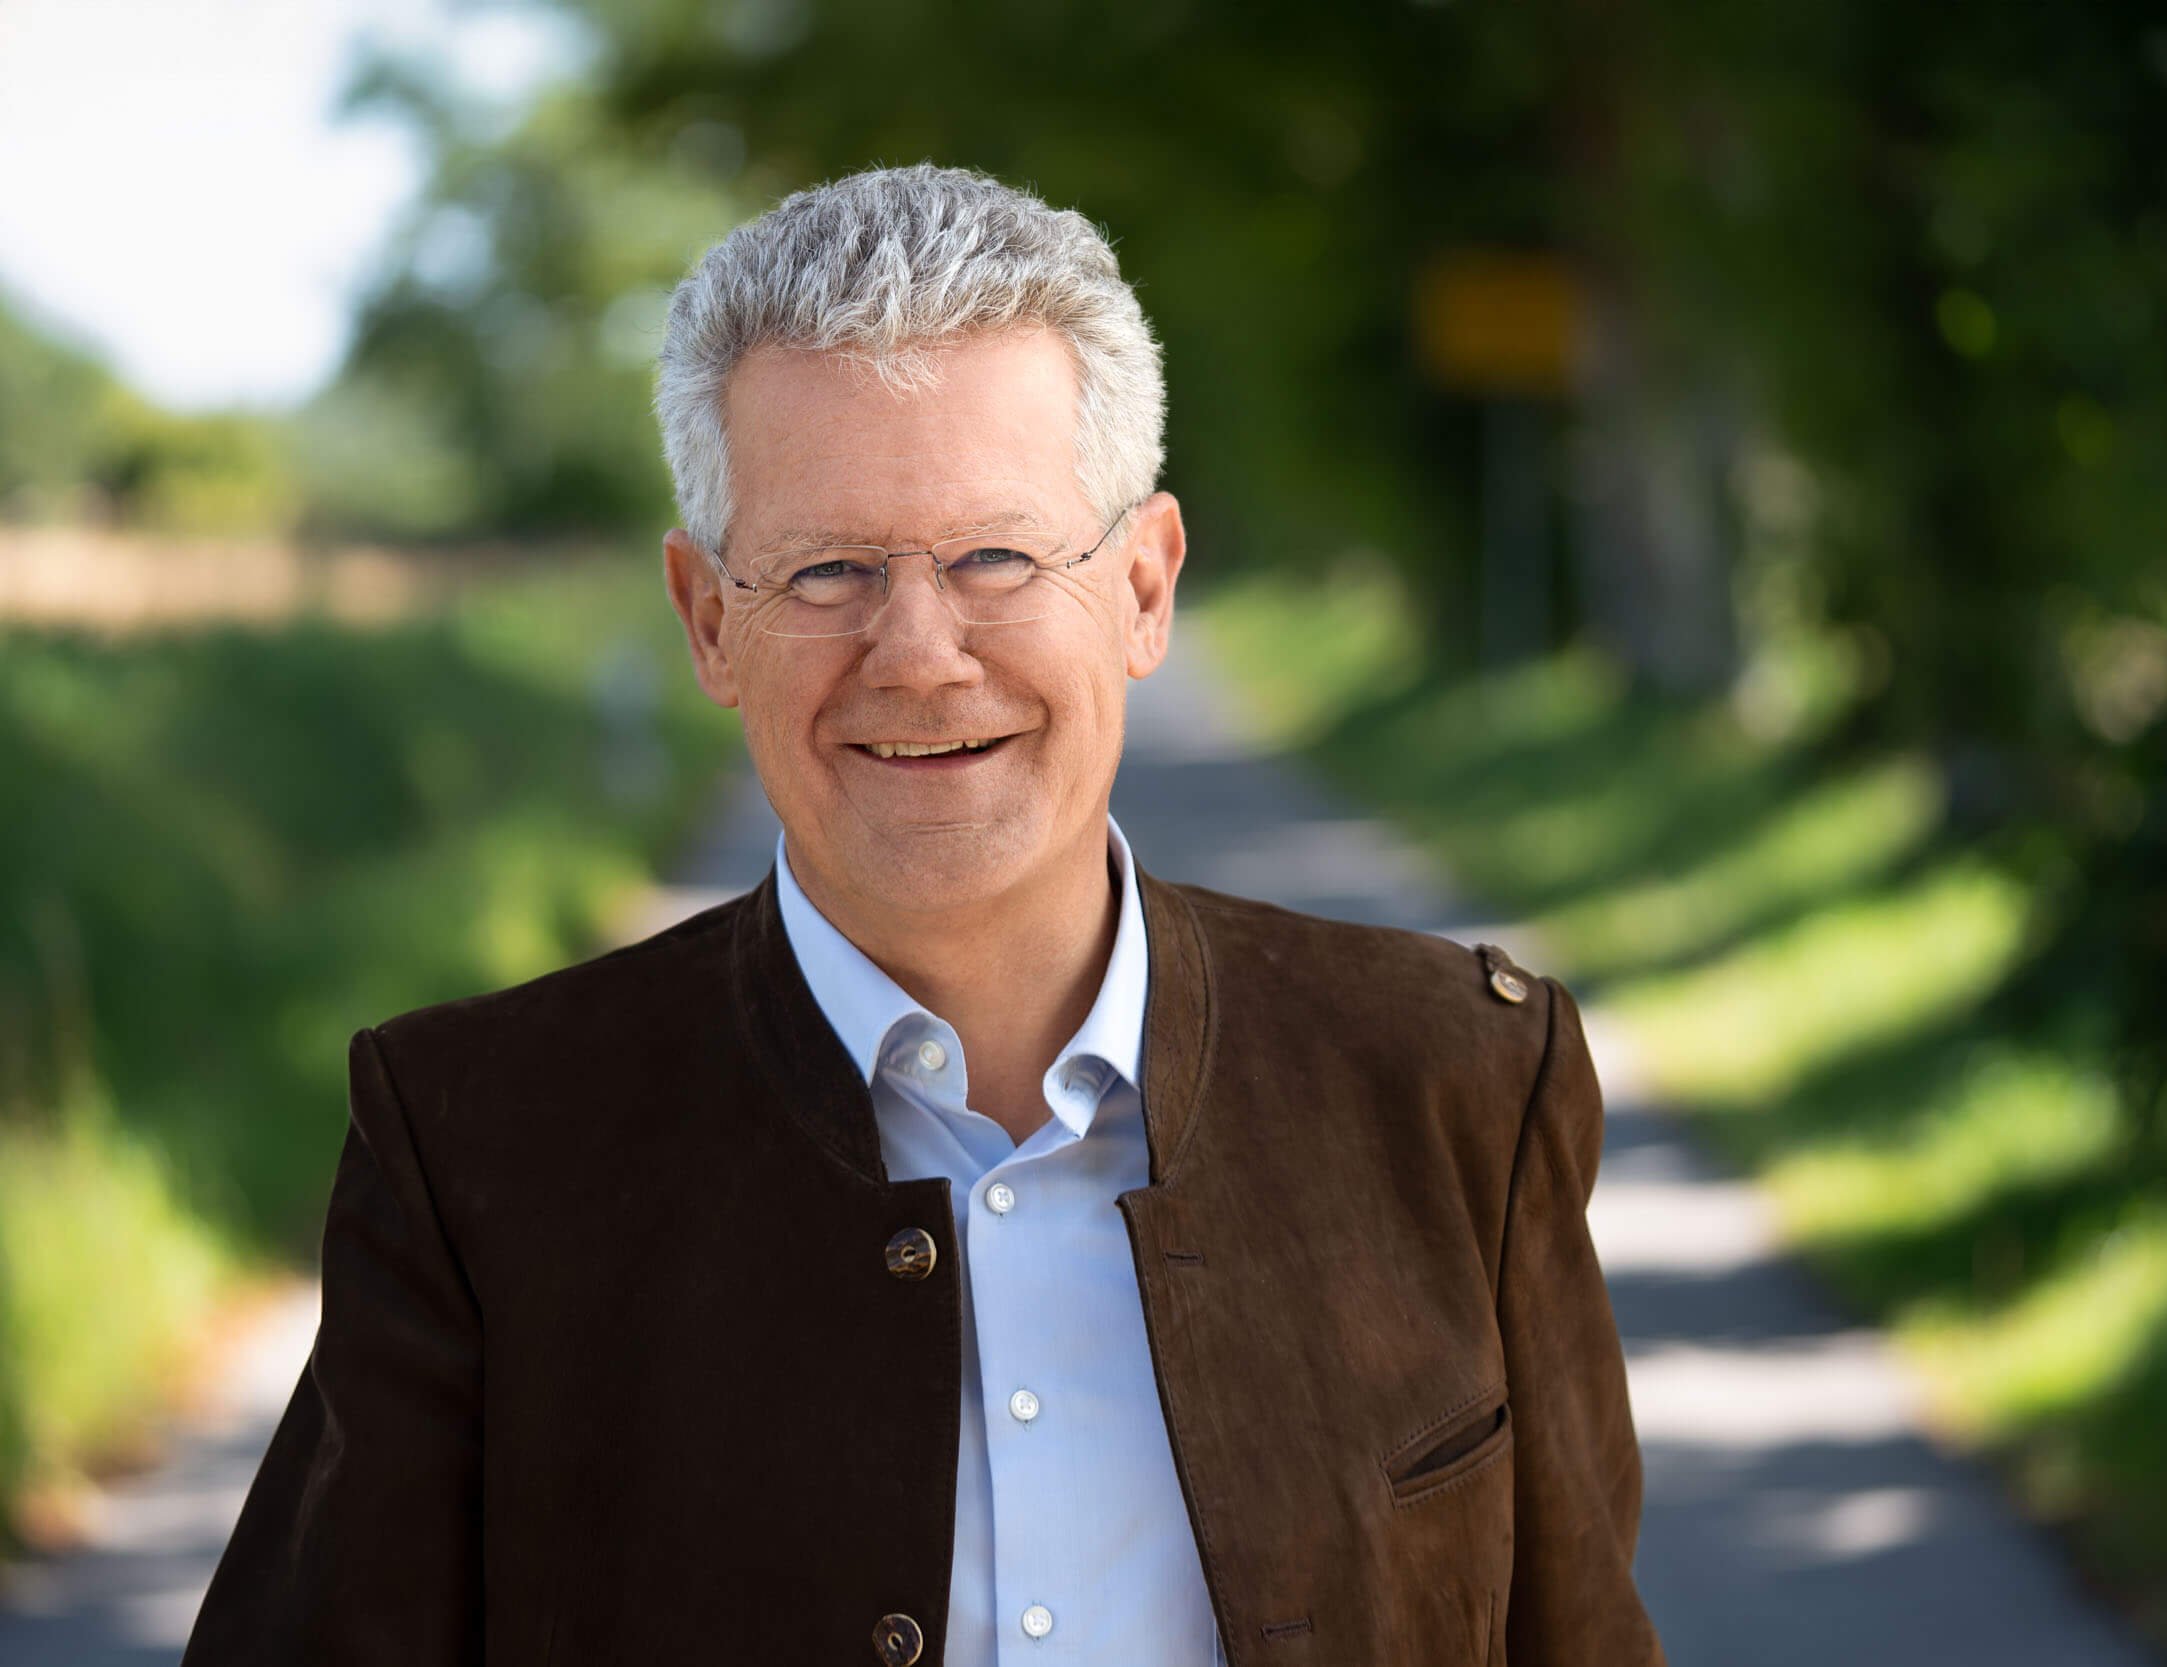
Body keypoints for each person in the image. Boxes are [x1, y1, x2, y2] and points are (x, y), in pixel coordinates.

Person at [183, 162, 1662, 1667]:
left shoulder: (1454, 1083)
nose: (917, 652)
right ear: (710, 621)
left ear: (1145, 588)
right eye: (825, 569)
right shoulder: (479, 1148)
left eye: (996, 557)